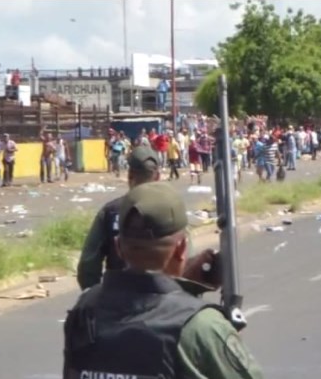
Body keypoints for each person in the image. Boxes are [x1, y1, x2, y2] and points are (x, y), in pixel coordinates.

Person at [63, 182, 264, 379]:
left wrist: (182, 287)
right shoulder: (201, 326)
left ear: (118, 247)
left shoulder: (85, 310)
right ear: (181, 248)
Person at [76, 146, 161, 290]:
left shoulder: (110, 211)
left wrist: (94, 297)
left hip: (117, 299)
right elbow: (185, 261)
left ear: (129, 176)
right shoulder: (171, 210)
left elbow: (88, 264)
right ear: (158, 176)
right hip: (163, 301)